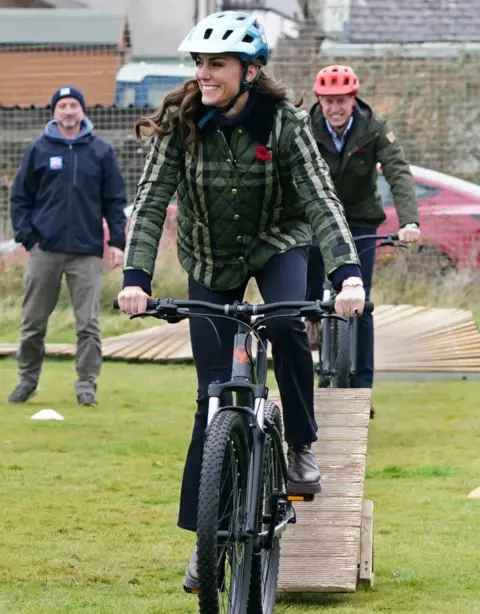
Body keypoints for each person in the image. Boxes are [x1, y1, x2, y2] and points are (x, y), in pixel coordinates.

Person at [117, 11, 365, 591]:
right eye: (199, 64)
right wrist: (136, 276)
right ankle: (208, 537)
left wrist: (348, 273)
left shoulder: (282, 122)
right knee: (211, 398)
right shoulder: (184, 121)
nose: (205, 73)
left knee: (284, 326)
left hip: (278, 242)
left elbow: (320, 199)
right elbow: (151, 202)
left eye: (217, 64)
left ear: (250, 71)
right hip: (210, 257)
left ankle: (301, 442)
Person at [306, 65, 421, 411]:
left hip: (359, 220)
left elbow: (398, 171)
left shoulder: (373, 128)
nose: (335, 108)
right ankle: (311, 323)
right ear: (320, 102)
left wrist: (409, 220)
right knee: (307, 294)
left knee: (362, 301)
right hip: (315, 217)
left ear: (353, 100)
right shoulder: (305, 128)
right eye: (328, 101)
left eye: (341, 101)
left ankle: (362, 388)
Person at [8, 85, 127, 407]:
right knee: (33, 323)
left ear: (82, 110)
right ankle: (26, 381)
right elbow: (20, 199)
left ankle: (86, 384)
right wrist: (27, 237)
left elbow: (115, 201)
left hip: (86, 252)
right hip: (44, 250)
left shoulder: (100, 151)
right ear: (54, 112)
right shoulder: (39, 150)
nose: (69, 111)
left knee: (88, 324)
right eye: (63, 106)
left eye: (74, 105)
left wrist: (116, 241)